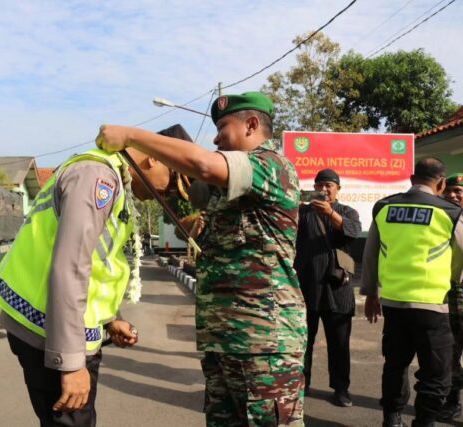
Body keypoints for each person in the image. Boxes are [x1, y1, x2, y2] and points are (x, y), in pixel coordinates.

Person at [96, 91, 307, 426]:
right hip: (226, 340)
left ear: (252, 125)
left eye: (223, 126)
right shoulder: (233, 190)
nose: (216, 137)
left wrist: (131, 136)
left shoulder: (272, 166)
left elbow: (204, 164)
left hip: (264, 342)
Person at [0, 124, 189, 427]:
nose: (167, 195)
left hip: (58, 325)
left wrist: (110, 318)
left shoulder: (114, 180)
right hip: (50, 331)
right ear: (154, 159)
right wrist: (70, 365)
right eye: (172, 185)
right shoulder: (98, 177)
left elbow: (97, 262)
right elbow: (71, 266)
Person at [362, 158, 463, 427]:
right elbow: (460, 257)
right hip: (432, 306)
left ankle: (392, 419)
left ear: (411, 178)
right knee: (436, 374)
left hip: (393, 304)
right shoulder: (451, 212)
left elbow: (371, 252)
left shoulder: (384, 207)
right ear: (441, 183)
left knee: (395, 365)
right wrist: (454, 278)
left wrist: (371, 292)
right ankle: (425, 422)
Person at [294, 168, 361, 407]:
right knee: (303, 342)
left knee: (339, 344)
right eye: (319, 185)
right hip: (305, 288)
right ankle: (303, 384)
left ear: (338, 189)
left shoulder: (346, 211)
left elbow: (352, 232)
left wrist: (331, 213)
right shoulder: (302, 212)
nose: (323, 190)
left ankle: (341, 389)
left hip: (337, 290)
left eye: (328, 186)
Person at [438, 173, 463, 421]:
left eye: (459, 191)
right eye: (450, 191)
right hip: (447, 291)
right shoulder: (441, 219)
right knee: (451, 350)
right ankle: (452, 401)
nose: (453, 196)